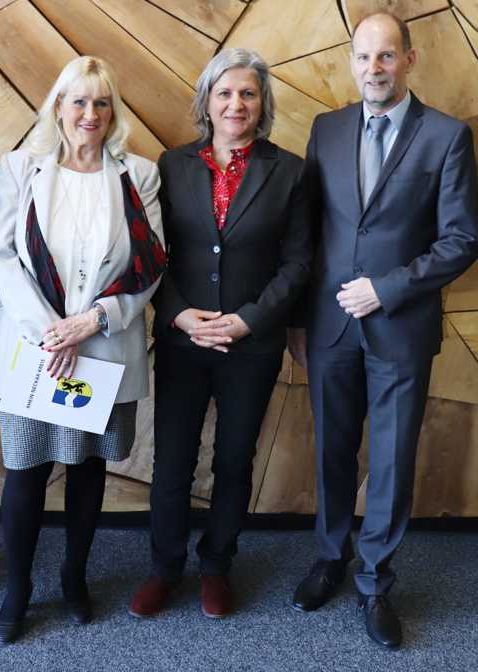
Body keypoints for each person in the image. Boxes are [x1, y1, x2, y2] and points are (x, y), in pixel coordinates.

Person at [288, 12, 478, 649]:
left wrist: (387, 288)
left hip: (400, 327)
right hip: (329, 329)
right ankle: (330, 557)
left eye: (387, 57)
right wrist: (297, 322)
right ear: (351, 61)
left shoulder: (447, 137)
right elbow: (307, 235)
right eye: (364, 57)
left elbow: (462, 239)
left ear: (409, 60)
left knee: (393, 462)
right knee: (332, 452)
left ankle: (375, 581)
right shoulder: (327, 128)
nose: (375, 68)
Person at [0, 55, 165, 643]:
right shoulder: (20, 168)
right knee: (25, 473)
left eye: (101, 103)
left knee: (88, 471)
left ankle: (73, 579)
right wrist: (49, 331)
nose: (90, 114)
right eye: (78, 101)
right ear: (58, 107)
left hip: (103, 349)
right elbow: (2, 256)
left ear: (114, 113)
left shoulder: (139, 174)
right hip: (36, 352)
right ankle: (18, 588)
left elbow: (150, 264)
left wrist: (91, 322)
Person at [129, 48, 311, 619]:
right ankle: (164, 568)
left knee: (234, 459)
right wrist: (180, 314)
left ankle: (216, 567)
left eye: (248, 94)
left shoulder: (290, 171)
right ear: (207, 100)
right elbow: (152, 253)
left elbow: (298, 264)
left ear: (263, 105)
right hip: (183, 341)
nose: (236, 103)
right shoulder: (171, 164)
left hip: (250, 345)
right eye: (225, 93)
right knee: (172, 461)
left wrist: (249, 318)